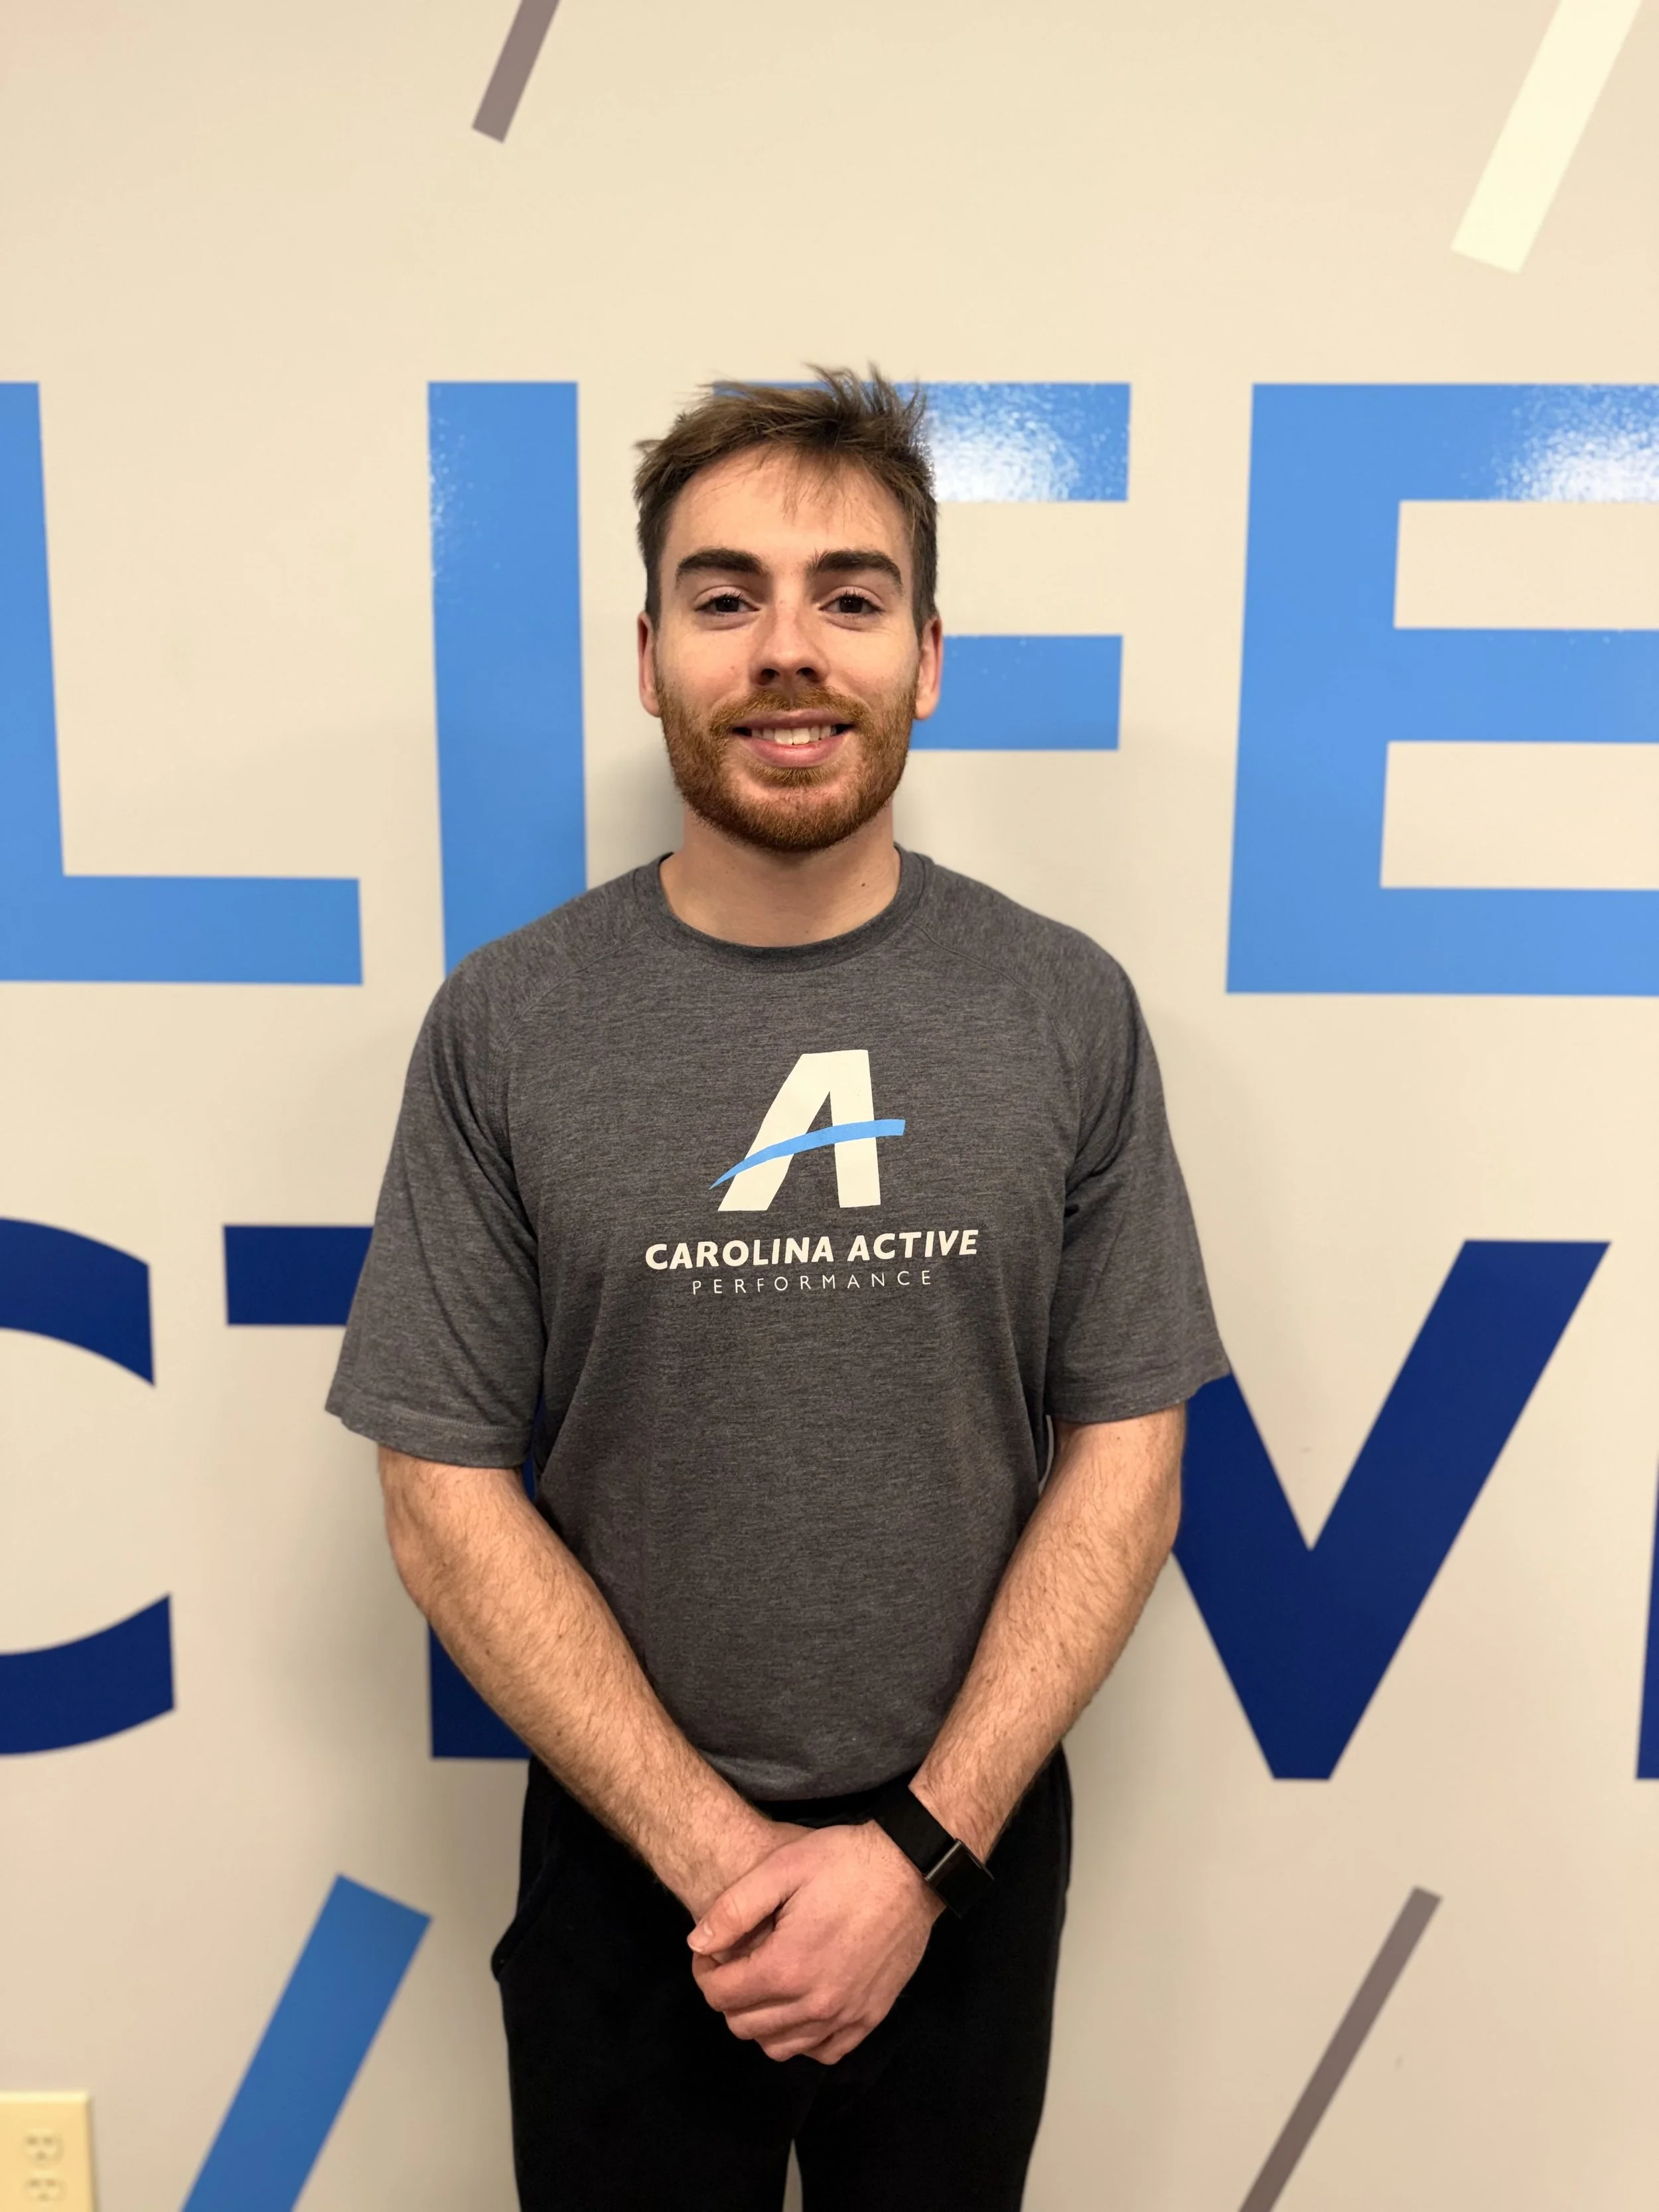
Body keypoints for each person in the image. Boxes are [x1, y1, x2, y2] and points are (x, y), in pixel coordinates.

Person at [327, 368, 1228, 2211]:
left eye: (851, 594)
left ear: (927, 656)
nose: (788, 651)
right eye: (726, 596)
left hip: (960, 1847)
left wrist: (912, 1853)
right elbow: (440, 1491)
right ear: (646, 654)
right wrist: (720, 1856)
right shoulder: (509, 1024)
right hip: (627, 1861)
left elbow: (1124, 1451)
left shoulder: (1061, 1010)